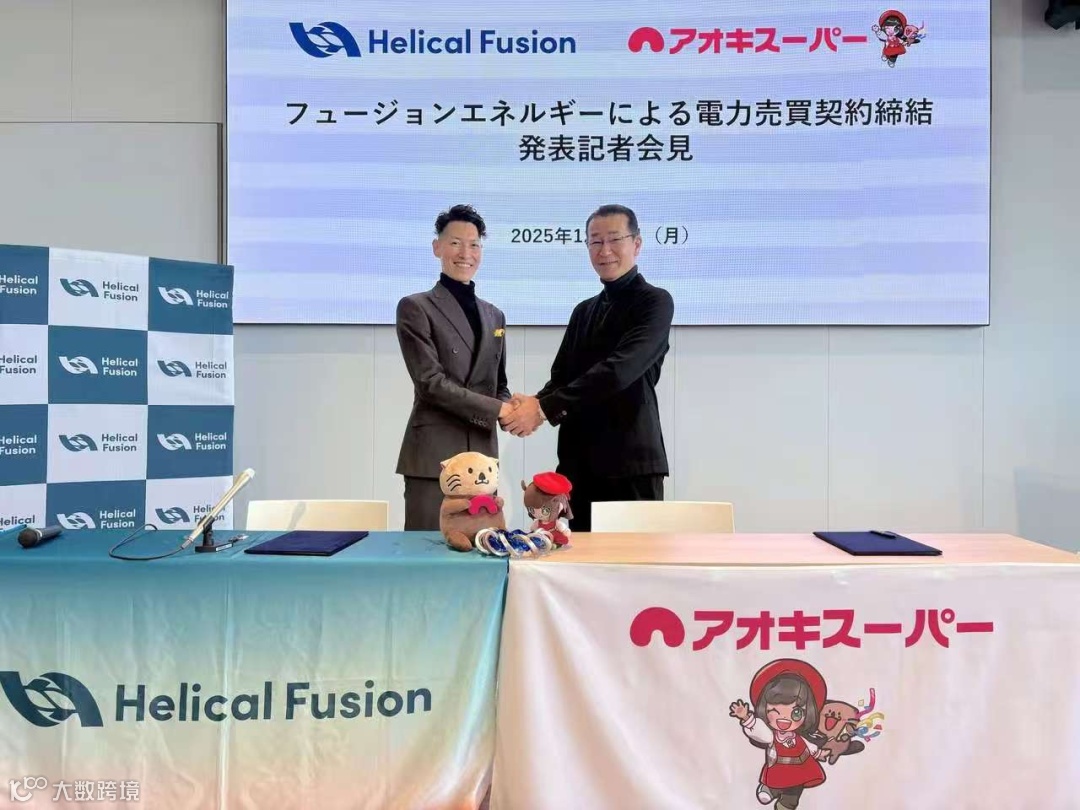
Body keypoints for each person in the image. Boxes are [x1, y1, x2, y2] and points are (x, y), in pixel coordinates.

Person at [500, 204, 673, 531]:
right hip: (576, 468)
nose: (604, 251)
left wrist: (541, 410)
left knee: (633, 560)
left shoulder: (655, 302)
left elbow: (618, 372)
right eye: (595, 241)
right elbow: (561, 378)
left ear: (636, 243)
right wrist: (531, 404)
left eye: (614, 239)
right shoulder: (584, 310)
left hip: (630, 465)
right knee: (573, 557)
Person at [395, 204, 514, 530]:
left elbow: (499, 383)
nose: (466, 253)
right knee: (427, 550)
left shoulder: (494, 315)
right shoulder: (415, 307)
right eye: (455, 243)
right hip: (435, 457)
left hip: (482, 459)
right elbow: (430, 383)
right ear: (438, 248)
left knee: (482, 547)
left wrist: (509, 410)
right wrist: (499, 410)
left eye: (474, 245)